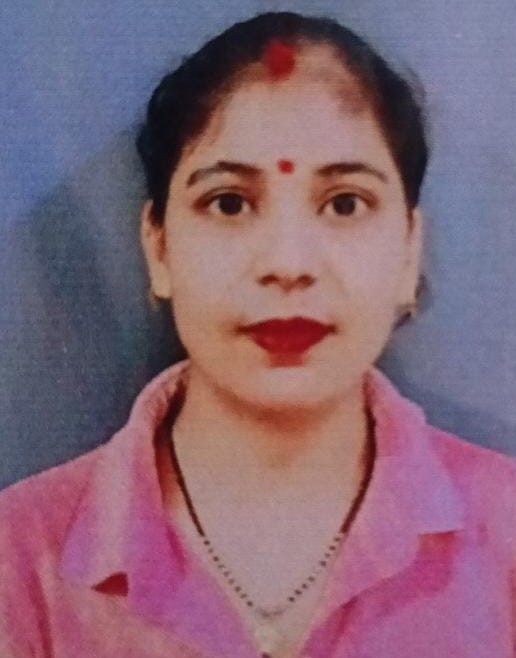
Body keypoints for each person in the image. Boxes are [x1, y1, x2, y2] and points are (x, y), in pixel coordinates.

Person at [1, 11, 516, 658]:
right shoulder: (21, 561)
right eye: (230, 203)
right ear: (158, 249)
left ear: (410, 252)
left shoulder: (506, 536)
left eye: (345, 203)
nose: (288, 264)